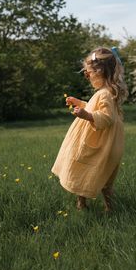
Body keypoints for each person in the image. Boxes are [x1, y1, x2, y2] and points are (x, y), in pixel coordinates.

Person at [51, 47, 127, 211]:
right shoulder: (104, 93)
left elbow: (107, 117)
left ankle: (107, 207)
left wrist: (86, 115)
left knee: (91, 170)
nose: (87, 76)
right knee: (90, 171)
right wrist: (80, 103)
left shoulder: (105, 94)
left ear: (101, 72)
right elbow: (95, 108)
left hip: (100, 142)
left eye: (89, 72)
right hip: (103, 140)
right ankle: (84, 204)